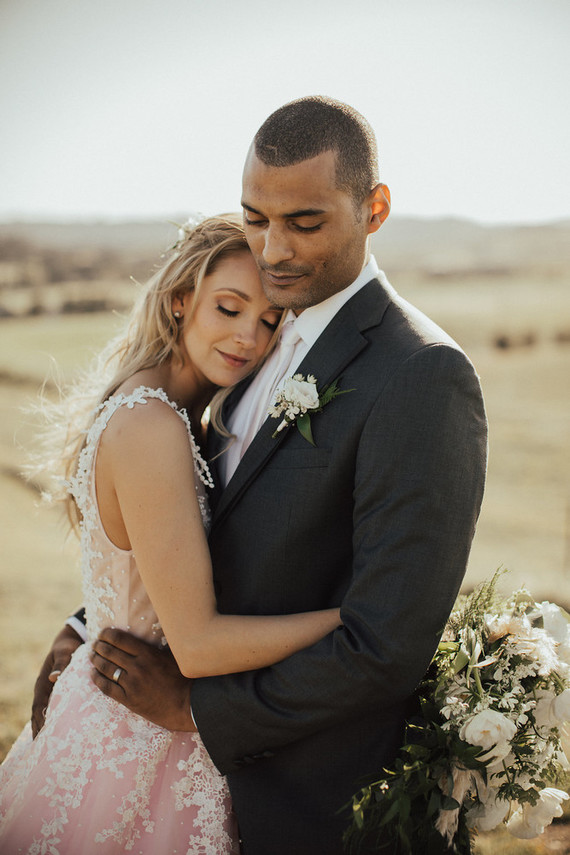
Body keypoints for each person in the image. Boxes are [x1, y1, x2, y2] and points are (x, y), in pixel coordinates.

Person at [32, 97, 488, 854]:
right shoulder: (247, 345)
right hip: (177, 777)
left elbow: (386, 643)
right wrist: (92, 625)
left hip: (310, 804)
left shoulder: (422, 375)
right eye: (255, 218)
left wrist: (199, 710)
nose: (274, 249)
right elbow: (196, 528)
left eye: (304, 223)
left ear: (374, 209)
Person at [0, 214, 343, 854]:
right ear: (181, 299)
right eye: (230, 307)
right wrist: (352, 621)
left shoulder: (177, 412)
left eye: (269, 322)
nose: (248, 337)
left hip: (143, 718)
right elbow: (200, 646)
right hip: (135, 741)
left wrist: (81, 624)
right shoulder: (153, 425)